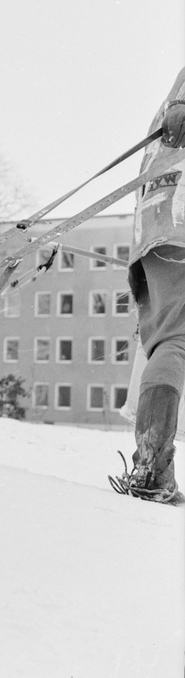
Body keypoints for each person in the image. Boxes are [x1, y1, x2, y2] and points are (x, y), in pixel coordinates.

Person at [111, 68, 185, 505]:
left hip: (157, 227)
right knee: (176, 340)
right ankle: (153, 466)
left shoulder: (173, 96)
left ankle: (155, 464)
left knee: (169, 341)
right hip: (177, 223)